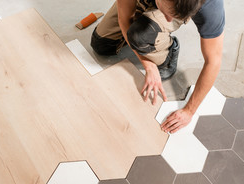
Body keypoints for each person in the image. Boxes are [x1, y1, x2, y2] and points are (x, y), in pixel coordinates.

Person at [91, 0, 225, 133]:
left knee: (140, 36)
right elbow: (124, 18)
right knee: (102, 45)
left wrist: (189, 111)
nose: (169, 19)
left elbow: (213, 61)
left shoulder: (210, 5)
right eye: (167, 14)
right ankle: (144, 23)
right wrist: (148, 63)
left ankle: (168, 52)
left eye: (174, 16)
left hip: (174, 4)